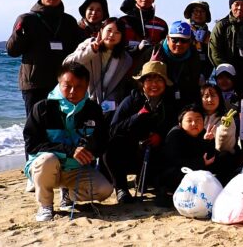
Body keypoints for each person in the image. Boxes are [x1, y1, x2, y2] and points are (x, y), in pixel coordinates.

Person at [23, 62, 113, 222]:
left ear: (87, 86)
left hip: (75, 170)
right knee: (47, 159)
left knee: (105, 190)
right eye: (68, 85)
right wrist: (70, 150)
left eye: (79, 86)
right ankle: (45, 205)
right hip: (45, 167)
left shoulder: (93, 109)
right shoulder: (42, 108)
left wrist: (91, 148)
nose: (73, 91)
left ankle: (68, 194)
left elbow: (102, 140)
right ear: (59, 83)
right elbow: (32, 145)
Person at [7, 0, 83, 117]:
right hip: (35, 83)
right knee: (36, 125)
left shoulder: (69, 21)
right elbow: (12, 51)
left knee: (59, 125)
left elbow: (79, 51)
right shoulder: (27, 19)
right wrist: (18, 34)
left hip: (62, 83)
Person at [104, 61, 177, 204]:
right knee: (111, 147)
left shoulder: (170, 103)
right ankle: (121, 189)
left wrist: (160, 136)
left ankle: (153, 182)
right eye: (149, 80)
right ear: (142, 83)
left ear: (165, 83)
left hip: (155, 153)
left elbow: (173, 125)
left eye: (158, 80)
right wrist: (137, 117)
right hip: (130, 151)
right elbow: (113, 129)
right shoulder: (130, 100)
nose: (154, 85)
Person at [63, 17, 134, 118]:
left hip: (105, 108)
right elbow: (67, 64)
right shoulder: (89, 44)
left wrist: (108, 105)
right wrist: (91, 50)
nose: (112, 35)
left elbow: (118, 88)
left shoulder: (125, 59)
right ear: (101, 30)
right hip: (79, 100)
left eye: (117, 32)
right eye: (109, 30)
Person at [157, 104, 220, 207]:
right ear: (181, 123)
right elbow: (175, 161)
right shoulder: (175, 135)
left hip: (197, 169)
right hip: (174, 172)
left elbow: (210, 158)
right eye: (189, 121)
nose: (194, 123)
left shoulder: (204, 133)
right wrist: (200, 163)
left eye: (198, 120)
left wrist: (207, 142)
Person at [151, 20, 211, 106]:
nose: (179, 44)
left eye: (184, 40)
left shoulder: (194, 55)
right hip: (158, 103)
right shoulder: (154, 52)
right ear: (168, 38)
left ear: (190, 41)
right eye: (175, 40)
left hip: (185, 104)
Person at [118, 0, 169, 70]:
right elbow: (116, 47)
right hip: (123, 71)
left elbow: (164, 51)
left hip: (149, 73)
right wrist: (136, 48)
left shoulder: (161, 24)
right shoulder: (123, 21)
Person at [183, 0, 212, 66]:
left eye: (202, 11)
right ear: (190, 13)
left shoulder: (211, 36)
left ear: (207, 15)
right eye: (196, 11)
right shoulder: (182, 33)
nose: (199, 14)